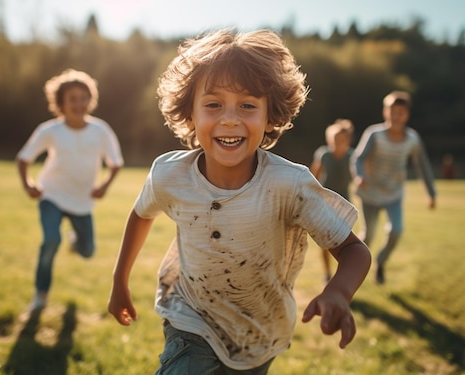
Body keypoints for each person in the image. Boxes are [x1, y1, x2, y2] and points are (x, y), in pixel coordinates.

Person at [107, 29, 371, 374]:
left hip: (260, 331)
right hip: (190, 318)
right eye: (213, 104)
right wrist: (119, 281)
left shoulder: (289, 184)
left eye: (247, 106)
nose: (229, 118)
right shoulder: (169, 175)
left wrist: (338, 291)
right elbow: (141, 214)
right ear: (190, 114)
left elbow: (354, 250)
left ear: (270, 116)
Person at [17, 69, 124, 311]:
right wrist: (28, 184)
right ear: (61, 103)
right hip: (51, 195)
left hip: (82, 200)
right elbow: (23, 158)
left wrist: (104, 186)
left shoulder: (101, 130)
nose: (79, 103)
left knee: (88, 251)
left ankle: (76, 242)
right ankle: (40, 296)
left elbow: (115, 163)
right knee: (51, 240)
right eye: (72, 99)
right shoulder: (50, 131)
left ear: (91, 100)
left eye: (83, 98)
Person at [351, 90, 435, 285]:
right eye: (392, 111)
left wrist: (431, 193)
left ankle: (380, 262)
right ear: (385, 112)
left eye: (401, 112)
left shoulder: (412, 140)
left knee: (396, 230)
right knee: (367, 236)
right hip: (369, 193)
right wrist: (359, 175)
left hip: (393, 194)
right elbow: (358, 158)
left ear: (407, 115)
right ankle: (353, 272)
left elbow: (422, 165)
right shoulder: (374, 134)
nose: (396, 116)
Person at [310, 119, 355, 283]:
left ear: (348, 140)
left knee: (342, 242)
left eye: (341, 139)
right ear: (329, 139)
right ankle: (327, 273)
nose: (337, 142)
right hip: (325, 204)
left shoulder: (352, 156)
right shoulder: (324, 154)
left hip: (345, 205)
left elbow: (357, 176)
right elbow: (313, 176)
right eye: (334, 139)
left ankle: (340, 275)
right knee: (325, 241)